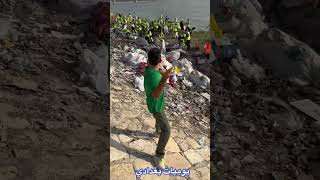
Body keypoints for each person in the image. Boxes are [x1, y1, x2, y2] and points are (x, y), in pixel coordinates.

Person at [144, 48, 174, 169]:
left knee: (159, 121)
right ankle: (158, 155)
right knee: (167, 130)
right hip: (156, 105)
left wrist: (163, 71)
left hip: (154, 103)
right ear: (160, 60)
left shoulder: (149, 70)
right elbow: (156, 95)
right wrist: (165, 78)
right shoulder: (156, 77)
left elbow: (157, 68)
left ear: (148, 59)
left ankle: (157, 131)